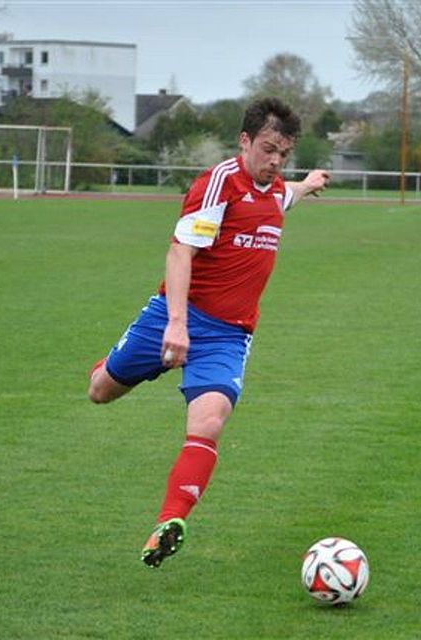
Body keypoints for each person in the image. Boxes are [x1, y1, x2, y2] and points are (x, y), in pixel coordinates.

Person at [87, 97, 330, 568]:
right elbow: (181, 252)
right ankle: (126, 362)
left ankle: (169, 521)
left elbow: (287, 195)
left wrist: (310, 183)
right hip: (173, 316)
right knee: (100, 391)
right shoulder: (219, 185)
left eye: (284, 153)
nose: (275, 161)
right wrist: (176, 325)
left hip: (227, 336)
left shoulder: (276, 190)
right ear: (245, 141)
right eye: (267, 149)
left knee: (210, 419)